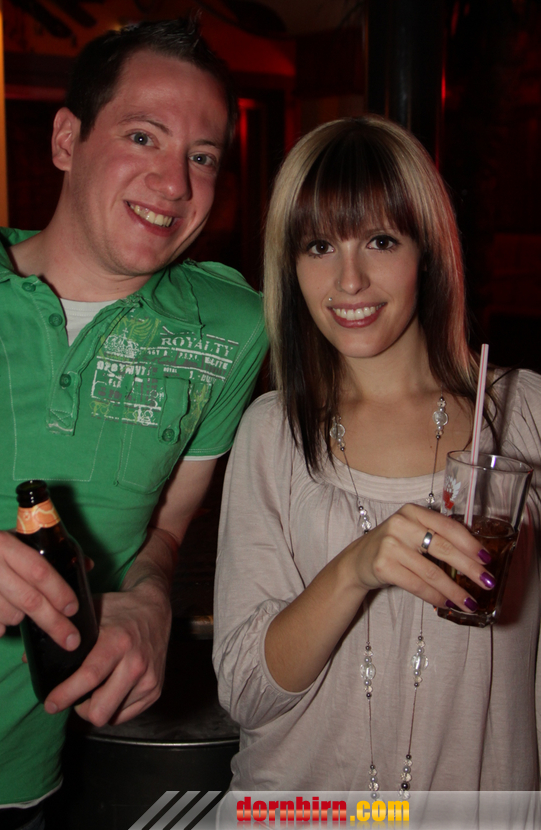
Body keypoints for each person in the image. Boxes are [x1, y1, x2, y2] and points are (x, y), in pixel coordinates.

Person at [0, 19, 267, 828]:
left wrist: (148, 597)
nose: (173, 184)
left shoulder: (230, 329)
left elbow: (166, 528)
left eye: (202, 157)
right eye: (142, 136)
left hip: (26, 801)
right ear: (66, 140)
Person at [213, 115, 541, 793]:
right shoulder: (272, 432)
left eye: (381, 241)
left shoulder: (523, 412)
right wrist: (355, 568)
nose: (350, 279)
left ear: (428, 252)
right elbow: (245, 690)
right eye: (318, 246)